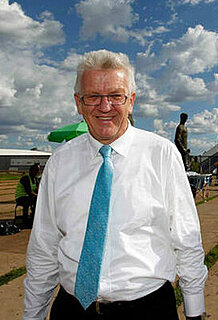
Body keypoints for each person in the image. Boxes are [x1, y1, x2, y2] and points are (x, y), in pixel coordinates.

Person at [24, 50, 207, 320]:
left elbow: (187, 237)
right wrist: (32, 314)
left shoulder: (162, 154)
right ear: (78, 102)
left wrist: (194, 310)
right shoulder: (59, 163)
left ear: (131, 101)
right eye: (93, 97)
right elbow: (44, 246)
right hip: (72, 310)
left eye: (115, 96)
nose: (105, 106)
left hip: (147, 310)